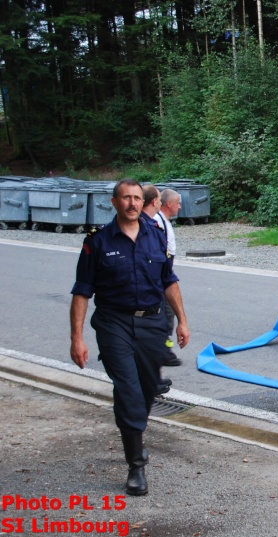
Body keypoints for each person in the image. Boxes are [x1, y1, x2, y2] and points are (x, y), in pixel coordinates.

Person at [69, 178, 190, 496]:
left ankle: (134, 433)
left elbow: (169, 280)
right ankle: (136, 465)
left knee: (148, 388)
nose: (132, 203)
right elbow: (82, 292)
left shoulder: (157, 236)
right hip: (113, 324)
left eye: (137, 198)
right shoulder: (97, 241)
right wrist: (77, 338)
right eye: (126, 198)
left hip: (151, 324)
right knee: (128, 388)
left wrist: (182, 320)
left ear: (143, 201)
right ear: (114, 202)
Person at [140, 185, 176, 390]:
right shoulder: (147, 226)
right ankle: (151, 379)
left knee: (157, 327)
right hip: (150, 288)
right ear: (154, 201)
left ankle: (153, 378)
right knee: (156, 327)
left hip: (160, 280)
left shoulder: (156, 224)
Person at [154, 189, 182, 366]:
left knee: (167, 311)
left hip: (164, 272)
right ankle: (162, 351)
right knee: (165, 311)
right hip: (160, 274)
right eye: (178, 203)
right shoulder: (158, 222)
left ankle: (162, 349)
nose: (180, 206)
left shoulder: (164, 222)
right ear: (169, 204)